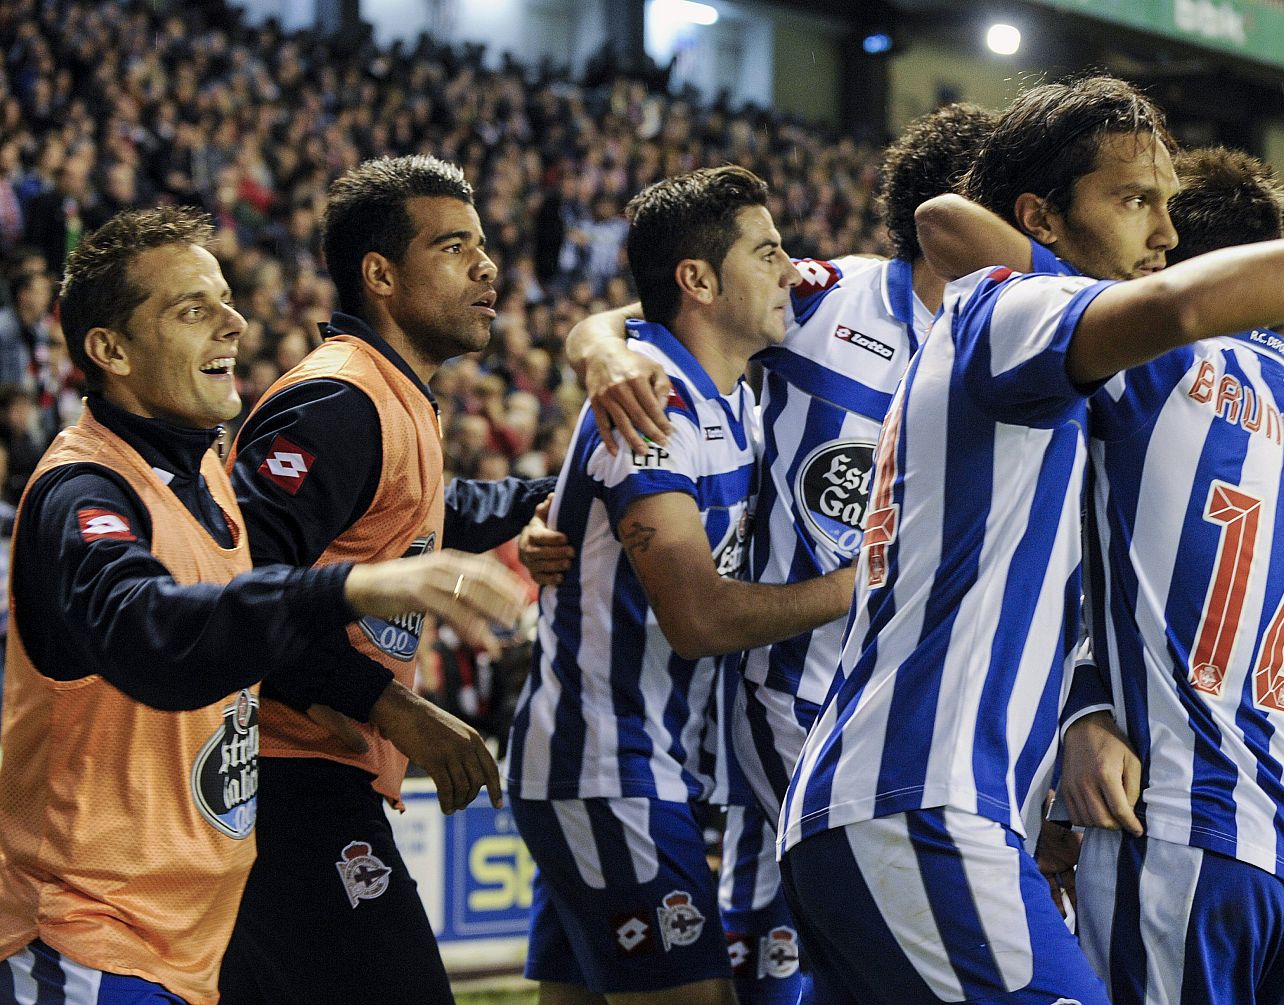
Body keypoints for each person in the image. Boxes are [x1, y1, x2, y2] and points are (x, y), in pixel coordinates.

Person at [789, 76, 1284, 1004]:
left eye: (1170, 213)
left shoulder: (1091, 363)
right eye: (1137, 203)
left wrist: (1079, 709)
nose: (1162, 236)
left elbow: (951, 220)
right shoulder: (1047, 322)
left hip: (945, 801)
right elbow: (1103, 280)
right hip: (938, 803)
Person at [528, 104, 998, 1005]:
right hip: (778, 705)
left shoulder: (1032, 338)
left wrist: (564, 514)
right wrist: (597, 346)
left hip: (870, 710)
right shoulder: (826, 298)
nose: (782, 268)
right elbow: (658, 307)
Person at [0, 207, 524, 1005]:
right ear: (110, 350)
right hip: (88, 939)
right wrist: (354, 589)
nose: (235, 322)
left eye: (226, 300)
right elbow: (153, 634)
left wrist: (543, 499)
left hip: (182, 939)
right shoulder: (83, 492)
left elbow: (424, 509)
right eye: (192, 310)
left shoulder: (203, 475)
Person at [504, 165, 856, 1005]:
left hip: (638, 763)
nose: (789, 271)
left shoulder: (729, 394)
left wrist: (593, 338)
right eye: (766, 253)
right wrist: (864, 584)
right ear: (698, 280)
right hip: (608, 764)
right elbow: (696, 616)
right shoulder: (654, 407)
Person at [219, 155, 551, 1004]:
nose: (487, 267)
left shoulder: (395, 397)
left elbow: (440, 509)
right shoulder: (340, 398)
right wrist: (397, 707)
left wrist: (562, 491)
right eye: (453, 247)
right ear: (381, 275)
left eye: (483, 245)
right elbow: (239, 592)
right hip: (281, 779)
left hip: (303, 778)